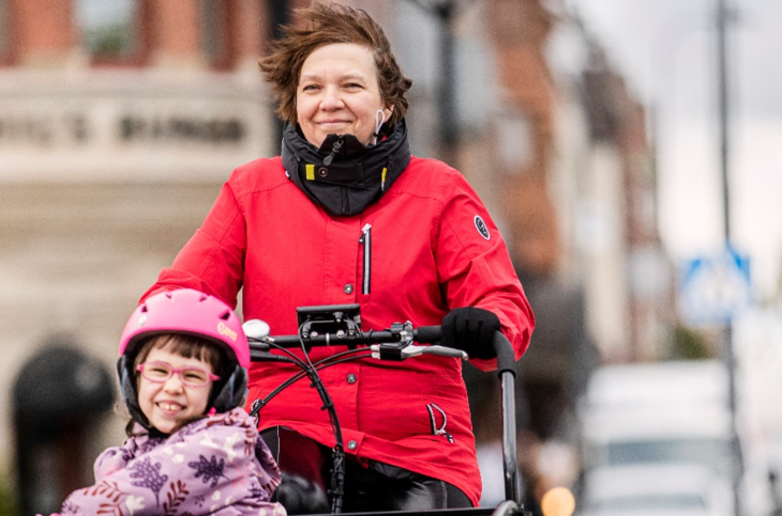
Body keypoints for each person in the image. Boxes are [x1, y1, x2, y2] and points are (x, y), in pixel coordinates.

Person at [139, 2, 535, 511]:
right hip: (287, 429)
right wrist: (173, 334)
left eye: (351, 85)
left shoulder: (440, 193)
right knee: (278, 498)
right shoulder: (250, 192)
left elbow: (505, 305)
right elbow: (180, 294)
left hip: (417, 445)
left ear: (386, 103)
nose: (330, 102)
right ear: (294, 104)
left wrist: (485, 323)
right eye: (312, 88)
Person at [49, 288, 285, 516]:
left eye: (192, 376)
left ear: (222, 390)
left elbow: (119, 497)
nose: (172, 387)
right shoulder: (131, 454)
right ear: (132, 379)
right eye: (159, 371)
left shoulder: (221, 446)